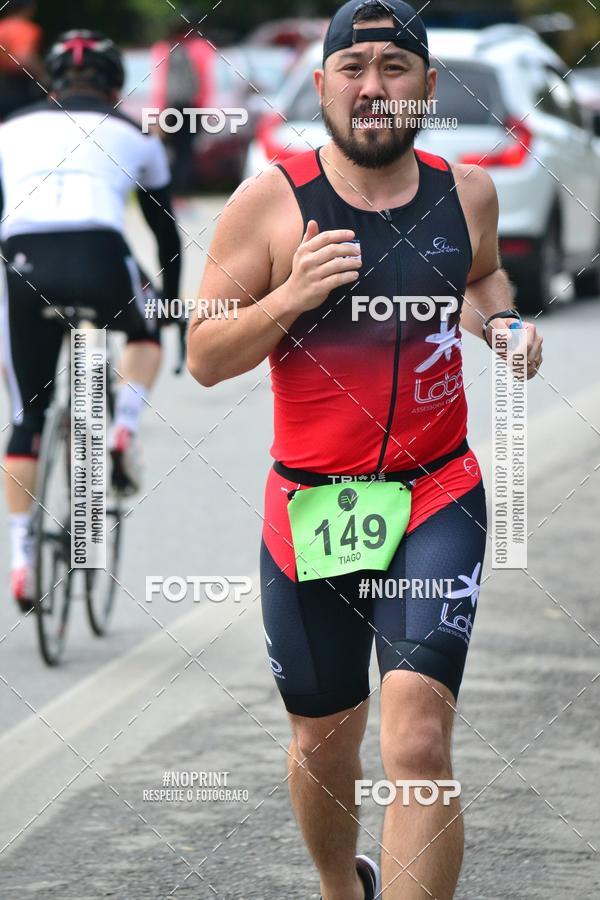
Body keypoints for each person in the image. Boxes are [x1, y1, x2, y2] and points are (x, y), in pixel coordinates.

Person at [187, 1, 543, 897]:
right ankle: (343, 886)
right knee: (323, 739)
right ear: (322, 85)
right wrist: (290, 297)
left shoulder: (467, 191)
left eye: (394, 68)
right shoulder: (270, 201)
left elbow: (480, 275)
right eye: (353, 69)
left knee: (416, 736)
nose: (372, 87)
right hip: (310, 506)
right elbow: (204, 357)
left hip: (436, 494)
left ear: (427, 85)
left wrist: (502, 323)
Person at [0, 30, 181, 612]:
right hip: (100, 256)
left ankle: (22, 557)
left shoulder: (9, 129)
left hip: (23, 258)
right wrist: (173, 311)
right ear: (113, 84)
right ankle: (122, 426)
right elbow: (164, 234)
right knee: (145, 331)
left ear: (53, 82)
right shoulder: (136, 132)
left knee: (27, 415)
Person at [0, 0, 45, 120]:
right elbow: (24, 58)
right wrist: (43, 77)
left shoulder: (2, 27)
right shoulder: (26, 28)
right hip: (19, 88)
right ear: (29, 8)